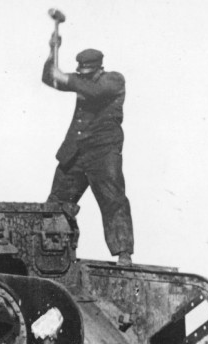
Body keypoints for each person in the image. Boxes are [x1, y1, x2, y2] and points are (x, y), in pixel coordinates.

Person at [42, 43, 134, 265]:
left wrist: (66, 78)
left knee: (113, 201)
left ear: (99, 68)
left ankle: (123, 253)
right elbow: (49, 78)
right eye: (81, 72)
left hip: (103, 152)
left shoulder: (114, 80)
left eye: (87, 73)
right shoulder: (82, 80)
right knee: (57, 204)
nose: (83, 76)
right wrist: (52, 50)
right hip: (75, 152)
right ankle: (53, 253)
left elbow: (95, 91)